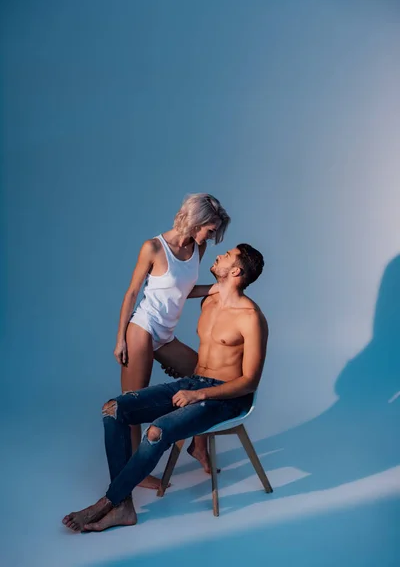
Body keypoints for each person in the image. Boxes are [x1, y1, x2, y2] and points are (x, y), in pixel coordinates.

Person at [63, 243, 268, 532]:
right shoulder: (208, 302)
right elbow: (167, 299)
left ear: (236, 270)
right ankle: (123, 506)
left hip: (227, 398)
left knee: (157, 431)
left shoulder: (251, 318)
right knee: (114, 408)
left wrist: (199, 394)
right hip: (195, 382)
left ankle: (109, 503)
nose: (219, 255)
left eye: (228, 255)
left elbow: (250, 382)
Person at [114, 193, 231, 488]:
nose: (213, 234)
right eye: (210, 228)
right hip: (142, 328)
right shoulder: (153, 247)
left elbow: (183, 290)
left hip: (166, 336)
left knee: (207, 379)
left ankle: (198, 446)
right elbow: (131, 293)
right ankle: (134, 471)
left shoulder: (198, 248)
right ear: (197, 221)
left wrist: (219, 287)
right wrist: (120, 340)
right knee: (132, 402)